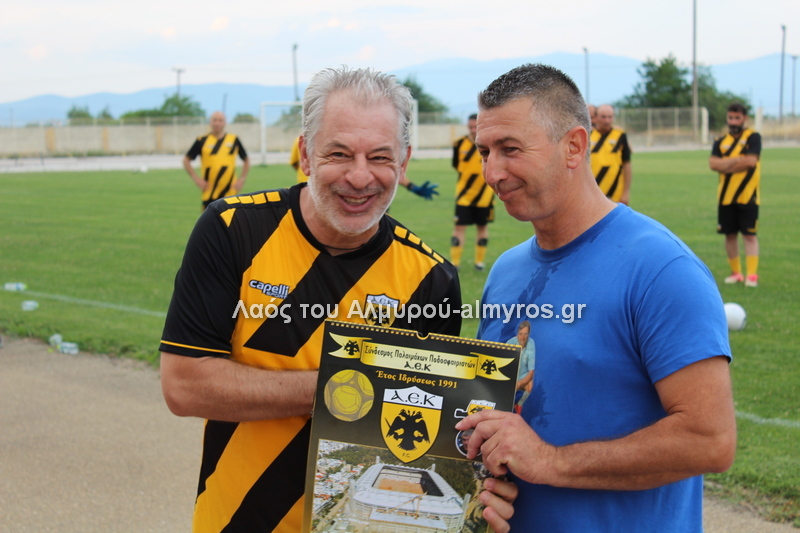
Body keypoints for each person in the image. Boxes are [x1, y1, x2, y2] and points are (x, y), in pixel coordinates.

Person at [160, 66, 516, 533]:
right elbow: (184, 386)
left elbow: (421, 437)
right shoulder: (231, 230)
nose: (360, 176)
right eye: (339, 153)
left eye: (380, 157)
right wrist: (347, 386)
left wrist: (478, 489)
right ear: (307, 154)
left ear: (404, 162)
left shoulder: (431, 280)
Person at [456, 63, 736, 532]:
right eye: (484, 151)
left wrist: (551, 462)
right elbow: (501, 420)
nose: (491, 172)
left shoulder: (662, 270)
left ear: (574, 146)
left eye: (510, 149)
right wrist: (483, 491)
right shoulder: (505, 271)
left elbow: (710, 440)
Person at [709, 103, 762, 287]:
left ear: (744, 118)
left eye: (737, 118)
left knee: (749, 235)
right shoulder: (720, 140)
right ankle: (736, 273)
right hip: (725, 197)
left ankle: (752, 275)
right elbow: (713, 164)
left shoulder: (753, 137)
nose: (733, 122)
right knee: (729, 235)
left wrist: (726, 165)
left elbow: (751, 162)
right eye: (730, 118)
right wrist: (739, 159)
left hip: (749, 196)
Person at [451, 113, 495, 270]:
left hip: (485, 196)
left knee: (482, 227)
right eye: (470, 127)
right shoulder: (459, 144)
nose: (472, 130)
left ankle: (479, 262)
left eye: (475, 127)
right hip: (463, 195)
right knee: (459, 228)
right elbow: (456, 165)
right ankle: (455, 263)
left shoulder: (489, 145)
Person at [183, 111, 250, 210]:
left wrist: (242, 179)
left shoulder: (234, 139)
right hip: (209, 192)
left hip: (230, 191)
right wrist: (196, 179)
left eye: (220, 120)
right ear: (210, 122)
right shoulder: (202, 140)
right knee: (208, 219)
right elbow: (186, 160)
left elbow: (246, 159)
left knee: (231, 219)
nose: (217, 123)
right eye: (214, 120)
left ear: (225, 122)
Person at [590, 104, 633, 205]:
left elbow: (627, 163)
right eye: (603, 117)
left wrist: (626, 193)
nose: (607, 121)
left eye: (610, 117)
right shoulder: (588, 135)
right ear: (596, 117)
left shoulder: (620, 135)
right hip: (592, 193)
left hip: (616, 192)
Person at [506, 320, 534, 411]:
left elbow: (531, 371)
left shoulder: (531, 344)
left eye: (525, 334)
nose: (522, 337)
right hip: (510, 374)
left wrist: (520, 383)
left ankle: (519, 405)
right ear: (517, 333)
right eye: (520, 334)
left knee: (530, 385)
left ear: (529, 335)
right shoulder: (510, 343)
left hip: (522, 375)